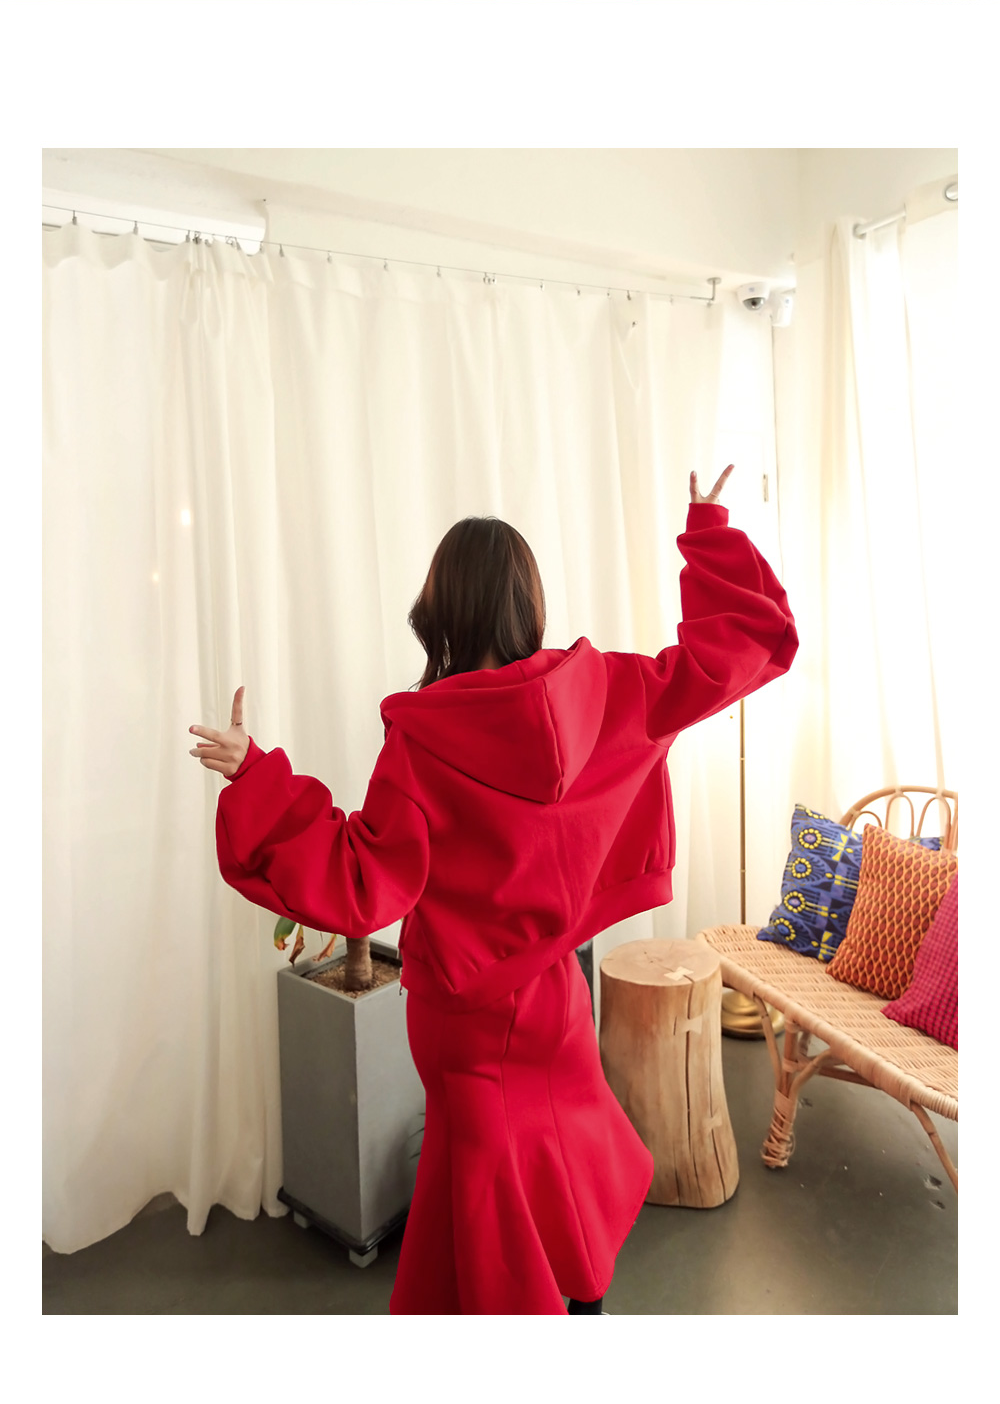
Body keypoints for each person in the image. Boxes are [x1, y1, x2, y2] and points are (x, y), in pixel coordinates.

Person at [192, 470, 798, 1317]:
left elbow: (360, 878)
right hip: (554, 996)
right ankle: (578, 1302)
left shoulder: (424, 738)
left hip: (466, 1021)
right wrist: (707, 528)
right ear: (527, 601)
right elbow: (730, 654)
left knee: (486, 1213)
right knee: (558, 1168)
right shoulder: (606, 692)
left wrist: (255, 775)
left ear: (442, 608)